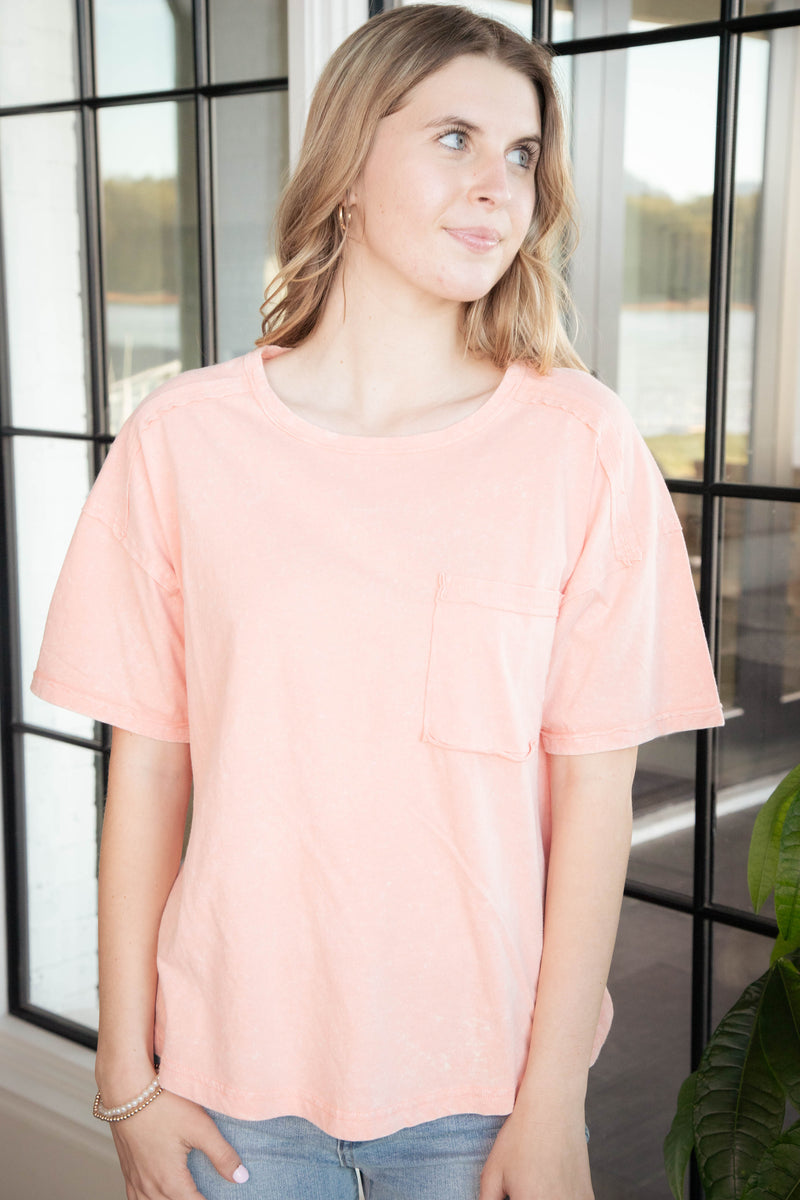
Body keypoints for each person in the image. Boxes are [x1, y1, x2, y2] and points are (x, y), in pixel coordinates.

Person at [30, 5, 724, 1199]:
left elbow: (592, 796)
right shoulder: (184, 440)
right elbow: (145, 772)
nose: (498, 186)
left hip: (482, 1099)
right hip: (224, 1092)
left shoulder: (579, 446)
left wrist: (550, 1104)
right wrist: (125, 1077)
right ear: (347, 164)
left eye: (520, 155)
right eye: (454, 138)